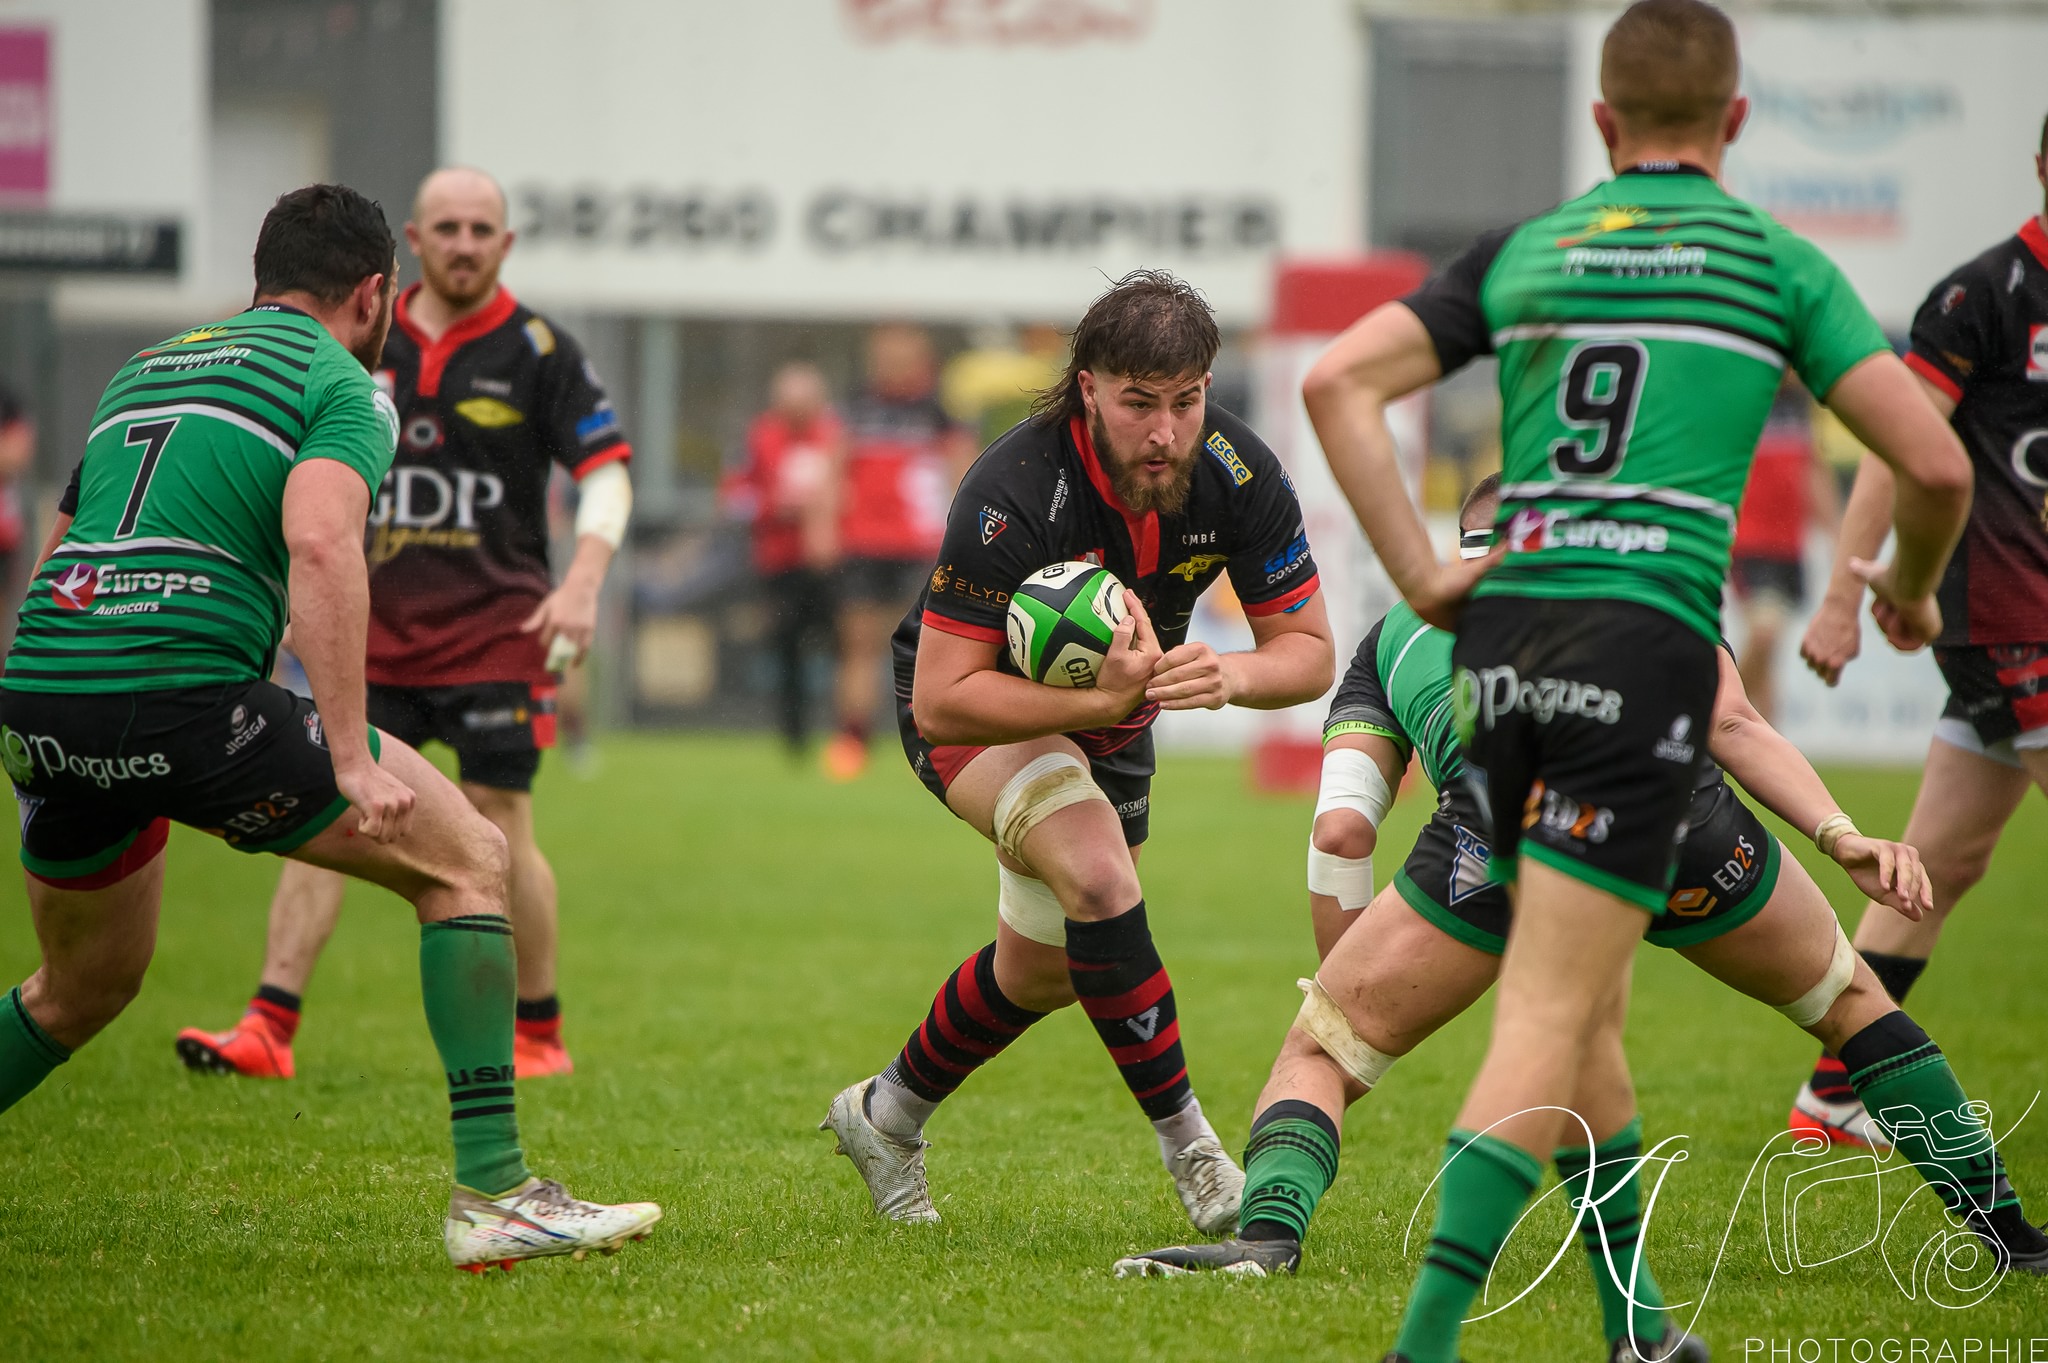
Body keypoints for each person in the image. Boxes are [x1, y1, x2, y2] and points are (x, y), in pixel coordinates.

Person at [1298, 5, 1990, 1359]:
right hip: (1638, 652)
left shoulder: (1535, 247)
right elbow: (1942, 468)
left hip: (1502, 658)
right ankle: (1422, 1344)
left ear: (1604, 126)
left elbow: (1336, 382)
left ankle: (1640, 1326)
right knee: (1552, 1016)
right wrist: (1908, 586)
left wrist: (1427, 576)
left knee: (1588, 1002)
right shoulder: (1775, 263)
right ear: (1734, 122)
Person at [1119, 479, 2046, 1350]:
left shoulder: (1398, 632)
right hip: (1683, 820)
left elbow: (1343, 830)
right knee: (1850, 1004)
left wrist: (1350, 986)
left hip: (1508, 841)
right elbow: (1732, 722)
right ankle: (2013, 1236)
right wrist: (1840, 833)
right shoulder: (1643, 578)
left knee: (1336, 1049)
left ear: (1464, 542)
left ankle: (1275, 1242)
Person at [0, 184, 657, 1269]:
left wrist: (47, 690)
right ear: (372, 292)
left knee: (78, 989)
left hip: (45, 688)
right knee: (468, 858)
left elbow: (61, 538)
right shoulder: (341, 381)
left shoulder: (144, 368)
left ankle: (279, 1017)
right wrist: (346, 752)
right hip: (184, 692)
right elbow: (318, 543)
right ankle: (495, 1194)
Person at [818, 270, 1333, 1234]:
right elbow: (941, 696)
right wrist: (1097, 694)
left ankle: (884, 1115)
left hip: (1117, 716)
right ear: (1089, 386)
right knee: (1100, 881)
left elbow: (1308, 654)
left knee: (1047, 968)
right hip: (979, 709)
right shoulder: (1011, 489)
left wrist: (1229, 674)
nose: (1165, 432)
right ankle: (1196, 1150)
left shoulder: (1241, 471)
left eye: (1187, 402)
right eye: (1140, 403)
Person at [172, 166, 634, 1082]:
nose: (465, 243)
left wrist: (583, 579)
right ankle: (267, 1024)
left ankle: (536, 1031)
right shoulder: (349, 339)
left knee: (503, 818)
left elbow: (608, 472)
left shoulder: (541, 349)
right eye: (447, 228)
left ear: (505, 245)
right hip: (368, 631)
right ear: (410, 246)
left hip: (496, 630)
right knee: (326, 809)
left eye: (482, 229)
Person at [1790, 112, 2048, 1150]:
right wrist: (1846, 598)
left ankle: (1831, 1096)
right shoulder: (1979, 296)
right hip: (2006, 621)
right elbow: (1898, 451)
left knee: (1936, 861)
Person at [823, 323, 975, 781]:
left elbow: (965, 474)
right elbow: (834, 468)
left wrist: (965, 537)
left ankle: (932, 737)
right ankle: (853, 738)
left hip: (921, 546)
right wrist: (826, 526)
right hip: (863, 544)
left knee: (932, 645)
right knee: (858, 645)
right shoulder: (855, 409)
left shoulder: (938, 414)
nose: (891, 364)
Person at [726, 361, 845, 755]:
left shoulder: (835, 438)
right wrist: (773, 506)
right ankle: (794, 739)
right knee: (788, 646)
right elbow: (735, 497)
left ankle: (848, 731)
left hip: (832, 563)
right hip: (779, 563)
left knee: (843, 645)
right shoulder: (760, 438)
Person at [1728, 382, 1834, 724]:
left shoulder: (1800, 404)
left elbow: (1812, 468)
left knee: (1769, 657)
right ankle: (1719, 716)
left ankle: (1765, 745)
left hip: (1789, 546)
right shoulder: (1746, 391)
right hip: (1749, 541)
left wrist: (1837, 531)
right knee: (1764, 633)